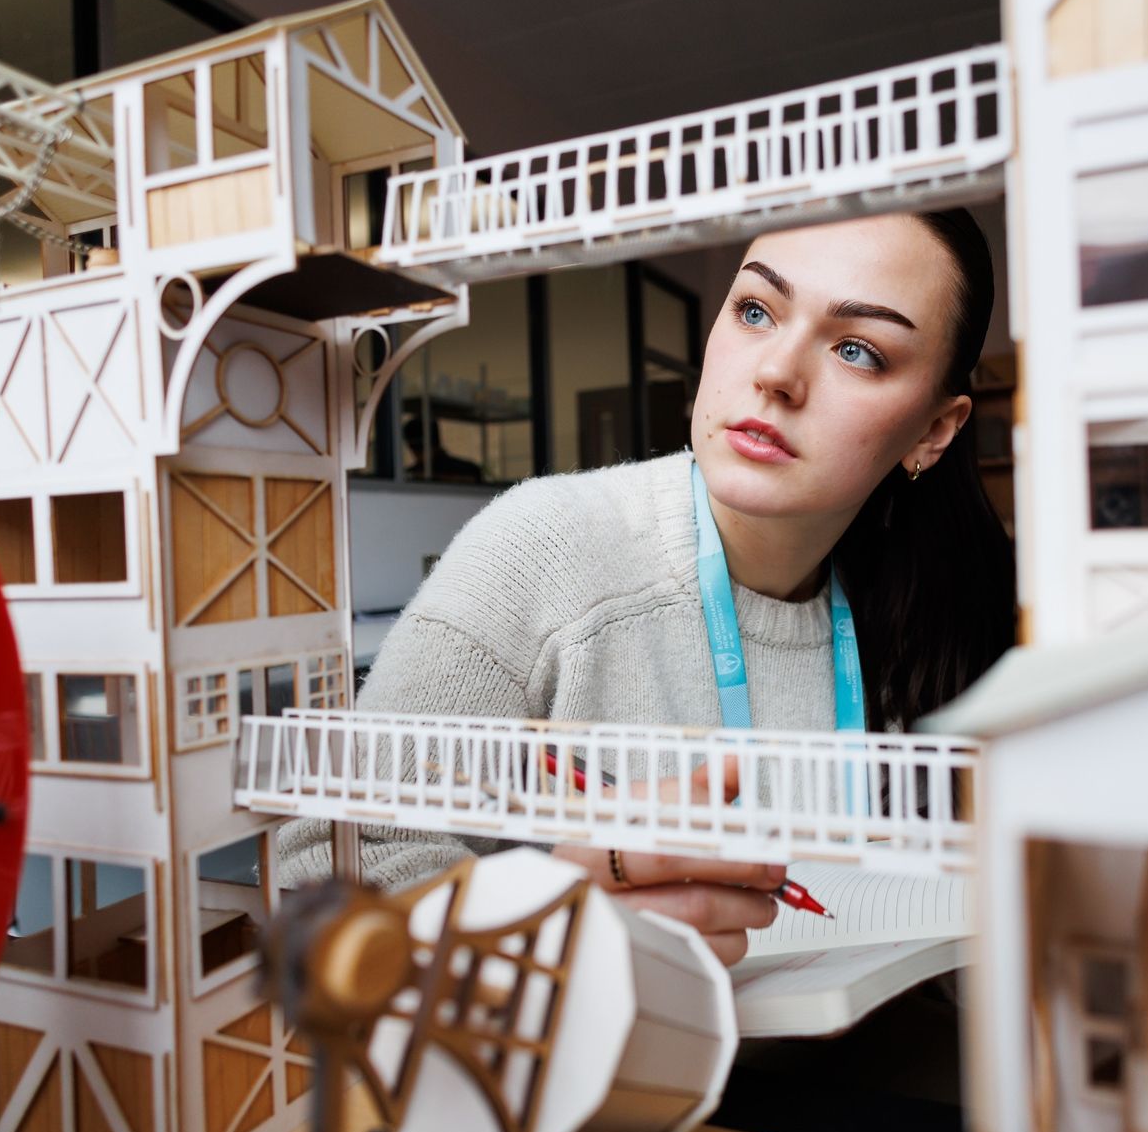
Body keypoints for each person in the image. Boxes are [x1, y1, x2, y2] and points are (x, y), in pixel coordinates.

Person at [278, 208, 1017, 964]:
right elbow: (318, 880)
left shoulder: (930, 609)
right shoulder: (543, 547)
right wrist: (541, 926)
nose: (775, 374)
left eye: (857, 350)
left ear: (934, 430)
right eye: (756, 310)